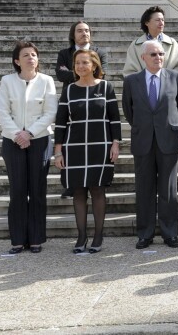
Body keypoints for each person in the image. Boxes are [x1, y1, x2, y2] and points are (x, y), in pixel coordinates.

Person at [54, 50, 121, 254]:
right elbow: (60, 123)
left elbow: (114, 119)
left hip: (100, 146)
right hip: (73, 147)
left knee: (98, 189)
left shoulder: (106, 87)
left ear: (94, 65)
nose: (81, 66)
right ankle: (81, 236)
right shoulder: (69, 90)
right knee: (78, 191)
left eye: (85, 62)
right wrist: (58, 151)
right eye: (77, 63)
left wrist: (115, 143)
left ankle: (98, 235)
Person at [122, 40, 178, 249]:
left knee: (168, 190)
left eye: (161, 54)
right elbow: (128, 111)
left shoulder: (176, 78)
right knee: (144, 189)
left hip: (168, 139)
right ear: (143, 58)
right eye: (153, 54)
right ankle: (145, 234)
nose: (158, 57)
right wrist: (146, 127)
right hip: (143, 140)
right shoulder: (132, 81)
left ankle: (170, 233)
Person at [0, 41, 57, 254]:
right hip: (12, 141)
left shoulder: (46, 81)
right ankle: (18, 239)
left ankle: (36, 238)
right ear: (17, 61)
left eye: (34, 54)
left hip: (39, 140)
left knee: (37, 190)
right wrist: (17, 134)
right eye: (26, 55)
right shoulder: (7, 81)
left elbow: (50, 112)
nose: (31, 58)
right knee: (18, 190)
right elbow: (2, 111)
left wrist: (29, 132)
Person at [55, 20, 109, 199]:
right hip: (72, 101)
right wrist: (84, 73)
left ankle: (94, 183)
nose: (84, 33)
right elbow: (60, 74)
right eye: (79, 30)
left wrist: (78, 73)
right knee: (74, 144)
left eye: (87, 30)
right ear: (73, 34)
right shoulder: (64, 53)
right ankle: (72, 185)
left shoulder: (100, 52)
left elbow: (102, 73)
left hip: (94, 99)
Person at [123, 6, 178, 99]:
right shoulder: (135, 45)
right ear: (147, 23)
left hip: (168, 94)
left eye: (163, 20)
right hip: (143, 95)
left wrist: (166, 84)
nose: (161, 23)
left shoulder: (172, 44)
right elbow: (129, 72)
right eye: (157, 20)